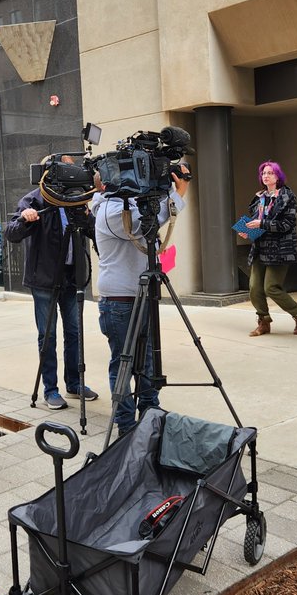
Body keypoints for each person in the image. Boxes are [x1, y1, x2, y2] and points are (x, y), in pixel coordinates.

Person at [90, 165, 190, 437]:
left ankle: (150, 412)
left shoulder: (126, 204)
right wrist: (178, 193)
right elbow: (143, 223)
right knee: (124, 362)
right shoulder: (110, 209)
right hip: (120, 301)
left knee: (146, 361)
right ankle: (126, 425)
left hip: (140, 295)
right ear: (107, 185)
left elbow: (149, 214)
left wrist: (167, 187)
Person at [4, 157, 98, 410]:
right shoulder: (34, 199)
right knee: (47, 336)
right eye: (65, 169)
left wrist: (87, 214)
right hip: (44, 279)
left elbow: (94, 231)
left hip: (72, 276)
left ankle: (75, 384)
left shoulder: (76, 198)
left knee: (74, 332)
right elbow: (11, 232)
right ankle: (50, 389)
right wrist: (25, 218)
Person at [240, 160, 297, 337]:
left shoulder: (288, 196)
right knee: (254, 288)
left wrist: (262, 223)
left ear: (278, 176)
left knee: (271, 287)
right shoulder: (260, 197)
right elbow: (256, 221)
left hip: (280, 249)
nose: (266, 176)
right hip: (260, 247)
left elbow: (287, 224)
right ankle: (263, 321)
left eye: (270, 173)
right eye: (264, 173)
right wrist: (247, 230)